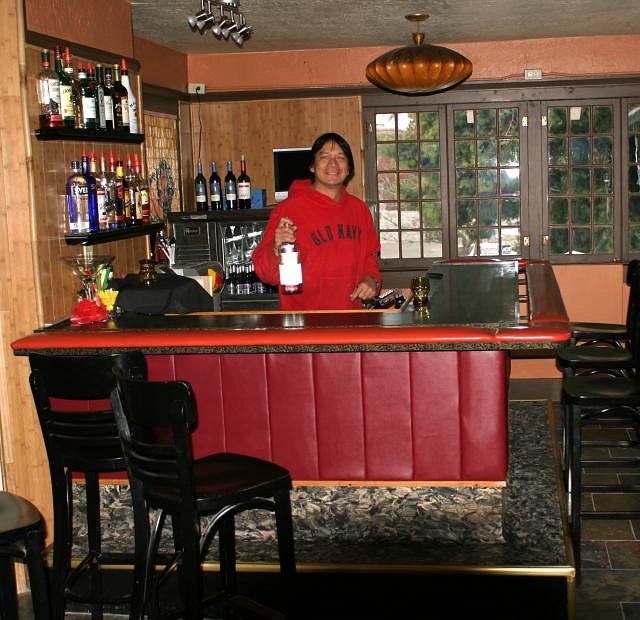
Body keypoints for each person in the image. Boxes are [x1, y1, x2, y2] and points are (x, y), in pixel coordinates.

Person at [252, 132, 381, 310]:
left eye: (340, 157)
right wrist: (275, 249)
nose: (333, 163)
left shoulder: (359, 210)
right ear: (312, 166)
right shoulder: (288, 210)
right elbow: (266, 274)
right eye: (325, 156)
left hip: (350, 318)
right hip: (302, 321)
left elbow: (370, 258)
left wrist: (371, 280)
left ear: (349, 169)